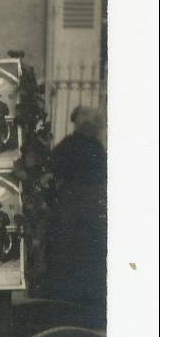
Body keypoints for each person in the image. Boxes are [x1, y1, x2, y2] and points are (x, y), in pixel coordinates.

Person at [47, 105, 107, 303]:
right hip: (92, 204)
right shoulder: (97, 149)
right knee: (89, 248)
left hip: (70, 203)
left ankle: (67, 292)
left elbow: (53, 166)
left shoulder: (68, 145)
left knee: (69, 246)